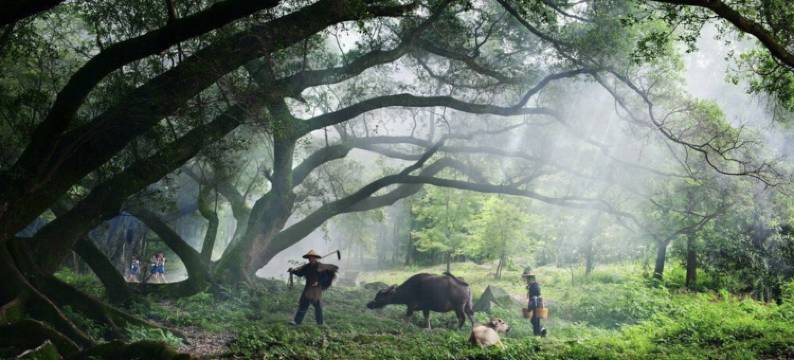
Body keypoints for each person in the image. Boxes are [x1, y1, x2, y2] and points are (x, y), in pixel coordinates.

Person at [288, 250, 339, 325]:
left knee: (317, 306)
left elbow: (325, 277)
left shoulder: (320, 266)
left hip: (316, 289)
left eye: (312, 257)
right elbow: (300, 274)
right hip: (308, 288)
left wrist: (318, 282)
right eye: (309, 258)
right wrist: (293, 271)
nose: (310, 259)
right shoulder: (307, 267)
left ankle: (320, 323)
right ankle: (297, 321)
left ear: (315, 258)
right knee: (303, 304)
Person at [522, 268, 547, 337]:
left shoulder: (534, 286)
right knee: (535, 320)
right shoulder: (534, 285)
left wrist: (529, 308)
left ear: (531, 279)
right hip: (536, 303)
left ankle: (538, 334)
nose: (527, 281)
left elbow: (534, 298)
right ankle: (541, 331)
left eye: (527, 279)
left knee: (535, 321)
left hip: (535, 304)